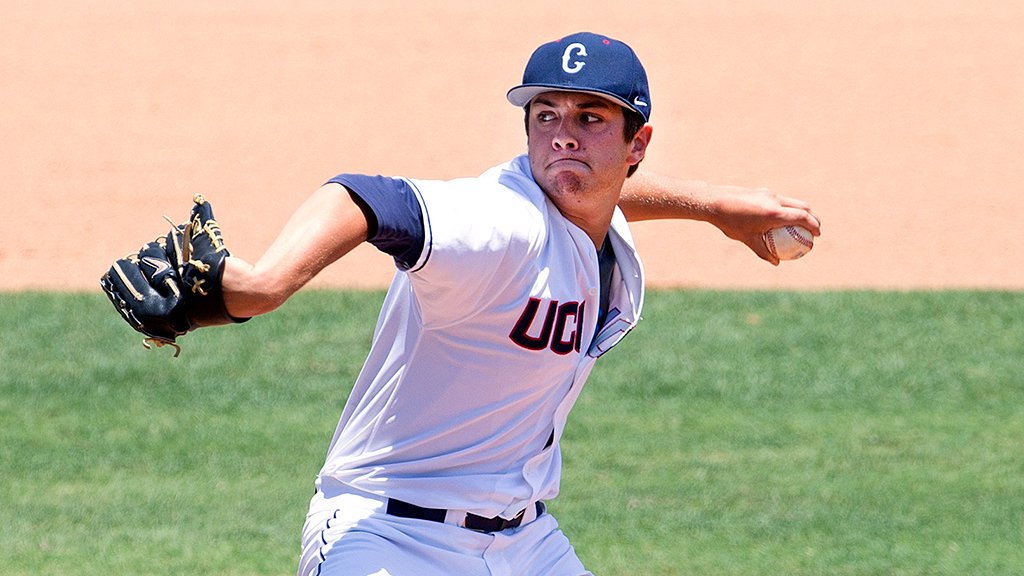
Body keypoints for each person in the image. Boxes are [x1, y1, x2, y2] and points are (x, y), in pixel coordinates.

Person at [216, 32, 820, 576]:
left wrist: (714, 206)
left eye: (590, 117)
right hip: (388, 535)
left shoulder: (586, 219)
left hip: (525, 544)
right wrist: (266, 285)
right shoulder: (498, 221)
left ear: (637, 143)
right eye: (546, 115)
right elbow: (367, 198)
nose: (562, 134)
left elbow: (595, 190)